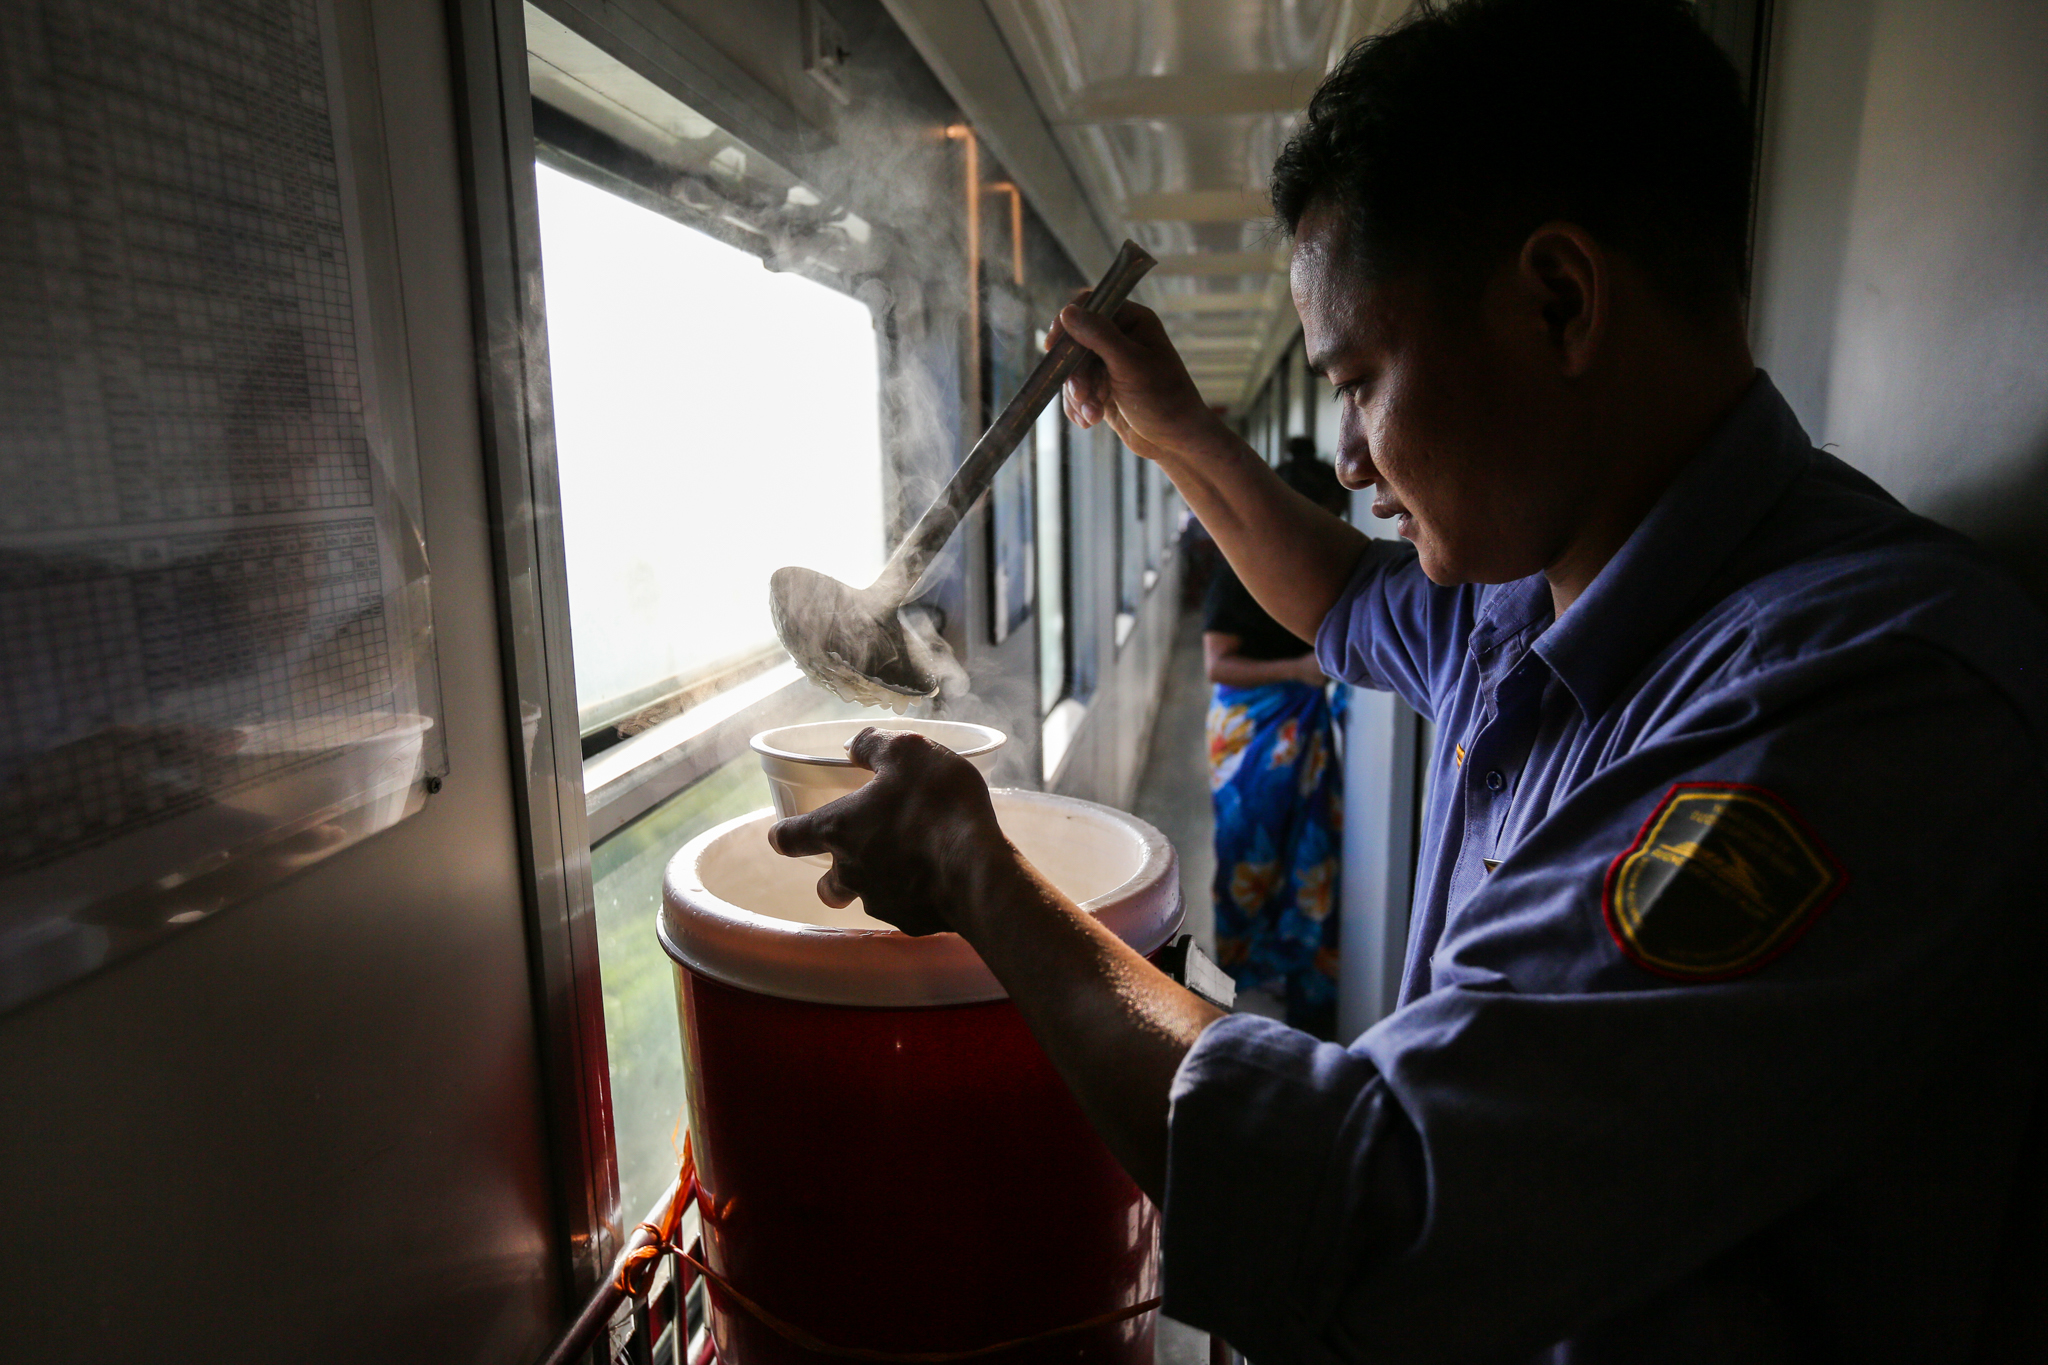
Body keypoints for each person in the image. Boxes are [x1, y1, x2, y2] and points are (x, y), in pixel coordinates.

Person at [768, 0, 2048, 1359]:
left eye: (1362, 378)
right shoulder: (1529, 596)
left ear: (1559, 304)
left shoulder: (1864, 702)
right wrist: (1180, 432)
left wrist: (976, 872)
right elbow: (1341, 596)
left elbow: (1380, 1203)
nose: (1349, 456)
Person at [1203, 438, 1348, 1036]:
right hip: (1250, 731)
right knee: (1248, 852)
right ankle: (1235, 989)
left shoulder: (1327, 570)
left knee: (1308, 855)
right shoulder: (1237, 567)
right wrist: (1299, 670)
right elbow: (1218, 666)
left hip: (1304, 727)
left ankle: (1301, 984)